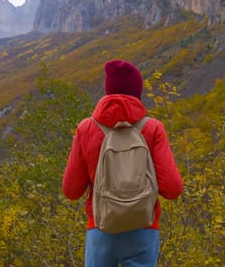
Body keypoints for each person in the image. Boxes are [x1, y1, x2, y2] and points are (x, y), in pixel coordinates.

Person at [62, 59, 184, 267]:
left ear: (108, 91)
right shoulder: (153, 128)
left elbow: (71, 191)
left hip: (100, 228)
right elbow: (172, 189)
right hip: (143, 228)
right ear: (137, 92)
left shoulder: (86, 128)